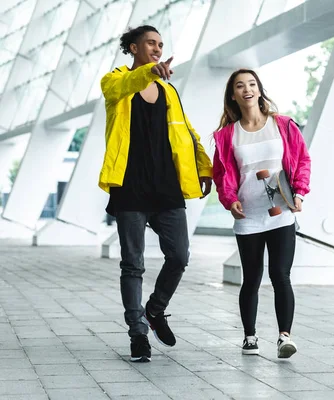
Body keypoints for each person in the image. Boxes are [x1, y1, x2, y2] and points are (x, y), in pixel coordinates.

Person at [98, 25, 213, 362]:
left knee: (179, 255)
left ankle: (155, 309)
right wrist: (148, 71)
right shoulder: (114, 81)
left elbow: (187, 133)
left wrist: (203, 167)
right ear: (133, 47)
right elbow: (126, 84)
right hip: (130, 186)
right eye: (151, 43)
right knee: (132, 264)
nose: (158, 49)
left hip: (166, 187)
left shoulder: (169, 91)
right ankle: (137, 333)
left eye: (161, 45)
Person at [212, 69, 311, 358]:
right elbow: (223, 176)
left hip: (281, 213)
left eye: (252, 84)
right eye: (240, 86)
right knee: (252, 278)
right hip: (249, 216)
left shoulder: (282, 125)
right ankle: (250, 337)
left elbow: (302, 159)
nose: (247, 89)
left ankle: (284, 337)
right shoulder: (227, 135)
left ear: (259, 89)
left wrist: (300, 193)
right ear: (233, 94)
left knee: (281, 275)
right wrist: (229, 201)